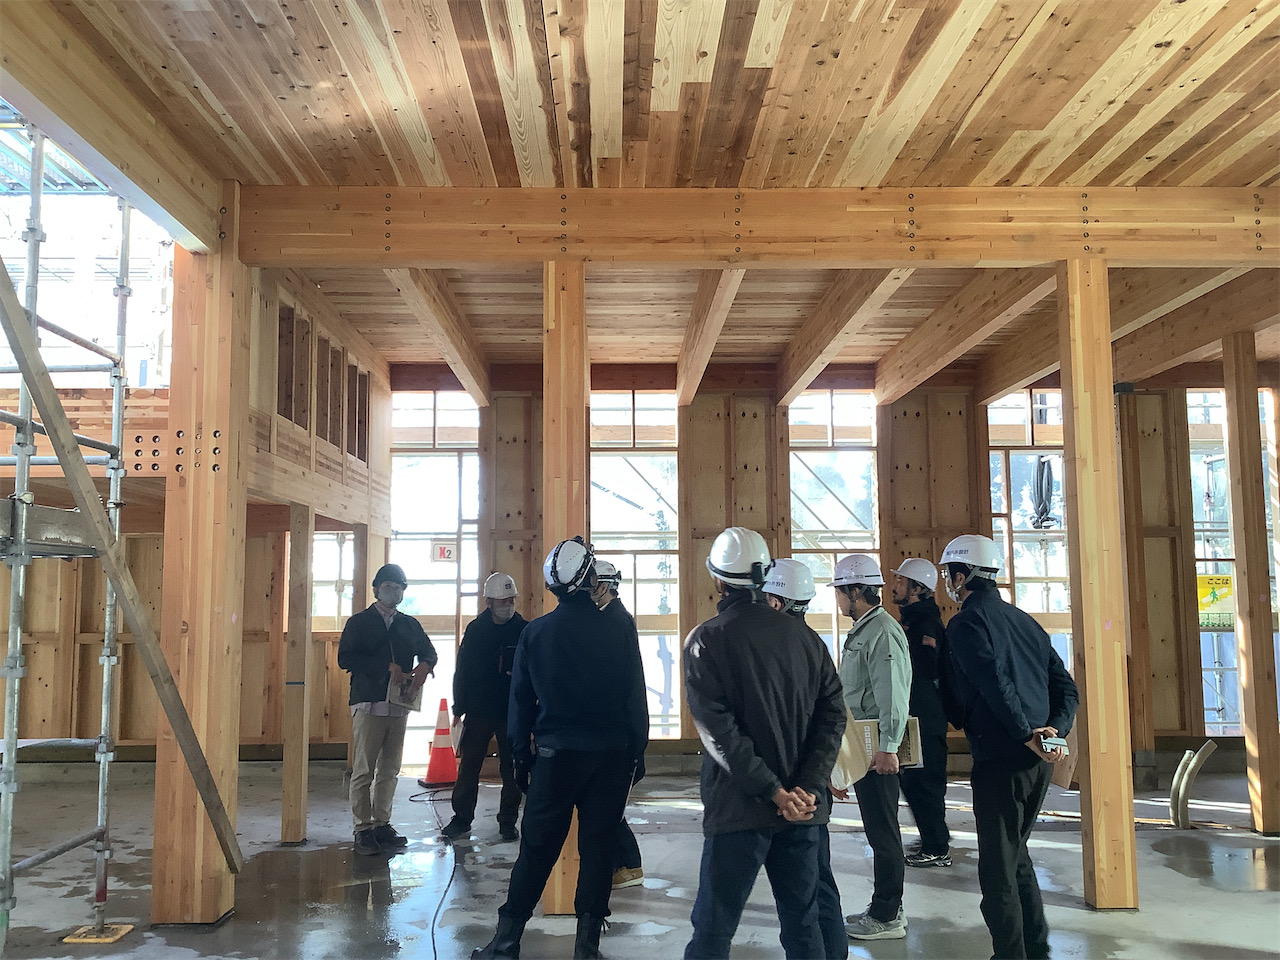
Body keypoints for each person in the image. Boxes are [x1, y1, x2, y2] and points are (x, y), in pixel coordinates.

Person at [473, 537, 648, 960]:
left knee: (536, 851)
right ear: (590, 578)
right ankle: (587, 947)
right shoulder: (620, 628)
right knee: (598, 849)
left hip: (555, 759)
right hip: (610, 759)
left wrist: (521, 758)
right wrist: (637, 753)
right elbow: (635, 696)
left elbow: (521, 703)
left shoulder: (536, 633)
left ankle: (506, 942)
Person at [683, 528, 845, 960]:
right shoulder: (807, 639)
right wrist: (806, 788)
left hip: (738, 810)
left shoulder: (706, 640)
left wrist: (772, 791)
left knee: (714, 929)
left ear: (717, 579)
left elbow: (720, 733)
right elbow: (833, 717)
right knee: (803, 926)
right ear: (764, 576)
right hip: (803, 811)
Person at [938, 534, 1078, 960]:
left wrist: (1024, 733)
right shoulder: (1025, 622)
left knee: (997, 869)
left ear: (961, 576)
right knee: (1016, 857)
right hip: (1038, 762)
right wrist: (1051, 734)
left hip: (1001, 757)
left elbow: (992, 683)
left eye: (949, 574)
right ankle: (1035, 949)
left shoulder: (966, 623)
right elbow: (1066, 688)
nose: (948, 582)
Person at [761, 558, 847, 960]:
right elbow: (831, 720)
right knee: (820, 884)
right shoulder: (816, 647)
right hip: (811, 796)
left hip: (782, 796)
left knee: (799, 901)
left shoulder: (769, 650)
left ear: (776, 602)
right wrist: (813, 786)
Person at [830, 553, 911, 942]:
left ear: (855, 591)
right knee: (879, 829)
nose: (837, 599)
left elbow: (891, 692)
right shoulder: (865, 629)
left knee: (883, 832)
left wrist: (889, 746)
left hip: (878, 748)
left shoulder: (882, 631)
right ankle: (888, 907)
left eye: (840, 591)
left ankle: (887, 915)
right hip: (866, 746)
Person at [337, 563, 437, 856]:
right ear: (376, 589)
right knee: (364, 769)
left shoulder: (409, 624)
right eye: (389, 587)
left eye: (399, 588)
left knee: (390, 769)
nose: (394, 592)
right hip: (368, 702)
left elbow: (429, 651)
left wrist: (425, 665)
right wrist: (384, 667)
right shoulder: (359, 623)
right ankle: (362, 829)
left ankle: (382, 823)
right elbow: (345, 658)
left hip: (399, 705)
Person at [441, 572, 528, 843]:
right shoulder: (476, 630)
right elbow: (463, 670)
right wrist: (458, 706)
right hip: (479, 710)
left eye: (511, 600)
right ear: (489, 602)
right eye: (502, 601)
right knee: (469, 767)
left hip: (511, 712)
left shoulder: (524, 630)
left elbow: (533, 672)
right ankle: (461, 818)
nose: (507, 605)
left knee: (512, 769)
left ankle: (508, 821)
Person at [890, 557, 952, 868]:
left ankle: (937, 847)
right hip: (915, 716)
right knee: (914, 781)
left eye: (901, 581)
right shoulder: (913, 621)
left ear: (917, 589)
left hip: (923, 718)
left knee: (923, 782)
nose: (895, 586)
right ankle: (933, 838)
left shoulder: (924, 625)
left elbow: (924, 670)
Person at [593, 559, 645, 890]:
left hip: (618, 733)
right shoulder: (613, 618)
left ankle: (628, 864)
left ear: (603, 586)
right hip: (617, 731)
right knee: (607, 804)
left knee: (608, 807)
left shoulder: (615, 621)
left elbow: (626, 685)